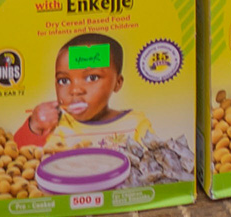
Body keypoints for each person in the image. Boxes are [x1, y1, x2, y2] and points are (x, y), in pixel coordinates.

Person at [15, 34, 148, 150]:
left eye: (92, 78)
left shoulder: (135, 123)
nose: (75, 90)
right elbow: (17, 156)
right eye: (64, 80)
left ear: (117, 83)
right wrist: (35, 126)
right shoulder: (56, 125)